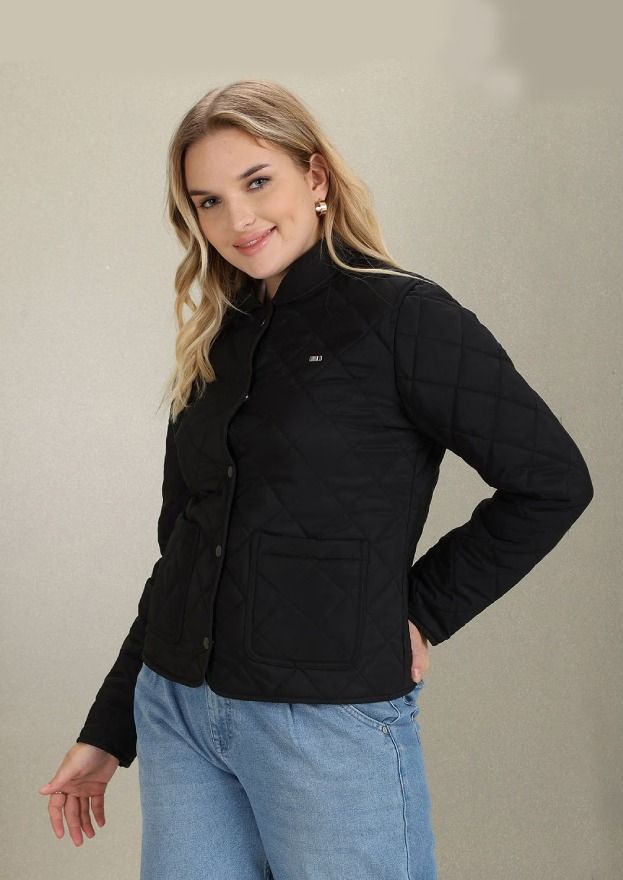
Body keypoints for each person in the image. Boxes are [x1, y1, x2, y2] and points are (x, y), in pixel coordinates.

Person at [39, 79, 594, 879]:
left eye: (257, 181)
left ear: (316, 177)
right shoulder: (218, 340)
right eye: (208, 201)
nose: (238, 219)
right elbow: (186, 550)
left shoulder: (406, 317)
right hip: (180, 716)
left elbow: (552, 481)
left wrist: (420, 610)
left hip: (323, 722)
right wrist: (109, 727)